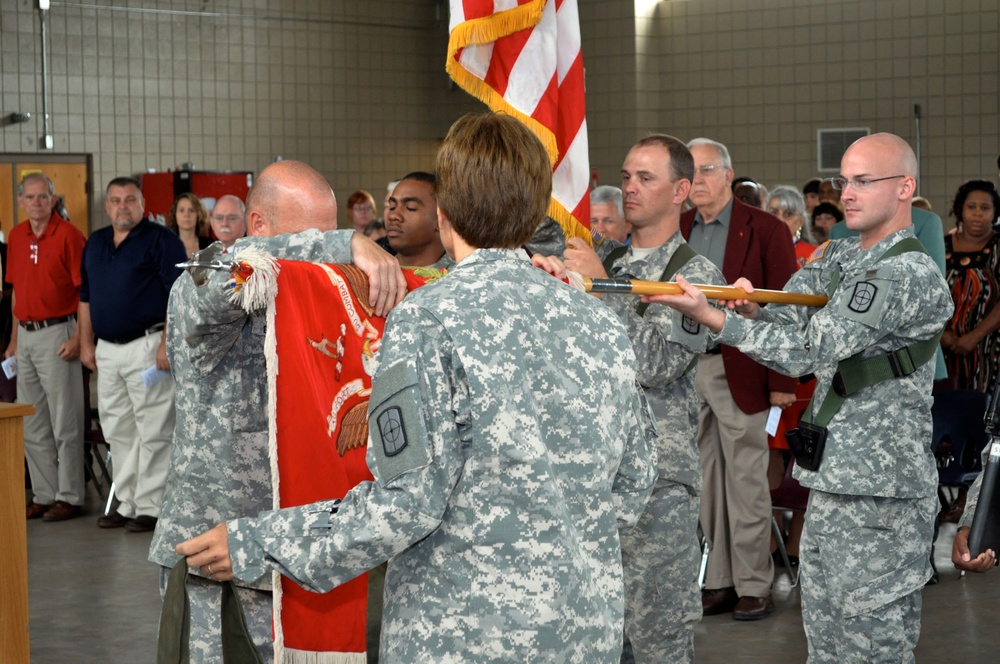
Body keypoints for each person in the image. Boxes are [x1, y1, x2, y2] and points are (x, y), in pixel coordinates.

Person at [176, 112, 657, 663]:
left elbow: (406, 505)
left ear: (444, 214)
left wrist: (254, 543)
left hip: (462, 630)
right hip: (582, 629)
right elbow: (634, 482)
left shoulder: (430, 317)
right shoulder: (598, 320)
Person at [654, 133, 952, 662]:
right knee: (828, 641)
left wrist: (718, 320)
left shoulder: (902, 273)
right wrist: (748, 309)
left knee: (871, 646)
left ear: (905, 187)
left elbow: (809, 348)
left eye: (864, 181)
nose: (849, 193)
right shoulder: (839, 253)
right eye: (845, 181)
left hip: (880, 496)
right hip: (836, 482)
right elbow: (789, 316)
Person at [149, 159, 406, 663]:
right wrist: (338, 245)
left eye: (332, 231)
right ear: (259, 227)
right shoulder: (210, 276)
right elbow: (236, 275)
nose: (326, 249)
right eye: (310, 234)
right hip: (217, 566)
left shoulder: (325, 293)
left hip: (300, 556)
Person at [541, 134, 724, 662]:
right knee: (598, 638)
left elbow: (655, 365)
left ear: (681, 190)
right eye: (625, 177)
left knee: (657, 640)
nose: (630, 188)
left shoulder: (693, 276)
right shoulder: (607, 258)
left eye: (646, 178)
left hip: (658, 488)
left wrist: (599, 291)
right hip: (594, 478)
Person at [681, 137, 798, 620]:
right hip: (689, 368)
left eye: (707, 170)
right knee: (706, 480)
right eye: (690, 172)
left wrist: (782, 378)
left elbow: (786, 310)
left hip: (744, 366)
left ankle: (754, 583)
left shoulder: (765, 229)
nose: (698, 181)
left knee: (747, 481)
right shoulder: (679, 226)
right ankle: (720, 579)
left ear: (729, 175)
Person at [78, 177, 188, 532]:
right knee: (118, 429)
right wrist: (85, 343)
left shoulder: (162, 241)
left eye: (129, 200)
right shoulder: (95, 243)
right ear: (106, 205)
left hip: (148, 346)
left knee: (154, 429)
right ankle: (125, 502)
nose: (122, 206)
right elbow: (86, 298)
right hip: (107, 349)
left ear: (142, 204)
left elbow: (178, 296)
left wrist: (166, 344)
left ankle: (152, 506)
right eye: (115, 200)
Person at [9, 173, 87, 522]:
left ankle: (69, 496)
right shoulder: (15, 236)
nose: (36, 203)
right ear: (21, 201)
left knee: (64, 420)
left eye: (43, 197)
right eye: (30, 197)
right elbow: (15, 292)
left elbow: (86, 294)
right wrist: (13, 340)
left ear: (53, 200)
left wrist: (79, 339)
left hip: (59, 332)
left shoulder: (70, 236)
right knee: (31, 420)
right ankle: (43, 493)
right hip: (25, 335)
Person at [763, 185, 817, 565]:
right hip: (767, 369)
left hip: (805, 377)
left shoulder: (814, 258)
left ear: (800, 219)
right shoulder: (764, 251)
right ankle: (767, 543)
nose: (778, 219)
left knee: (802, 463)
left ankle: (796, 544)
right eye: (772, 212)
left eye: (786, 213)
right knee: (768, 458)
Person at [939, 180, 1000, 393]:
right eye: (971, 207)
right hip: (941, 349)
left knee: (982, 418)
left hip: (988, 350)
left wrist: (976, 336)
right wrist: (941, 334)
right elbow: (924, 293)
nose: (977, 213)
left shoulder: (998, 245)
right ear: (960, 210)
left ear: (994, 212)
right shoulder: (940, 243)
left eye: (985, 208)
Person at [384, 172, 454, 269]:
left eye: (410, 207)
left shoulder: (464, 277)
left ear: (440, 219)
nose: (393, 215)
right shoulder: (369, 275)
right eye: (392, 207)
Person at [166, 193, 211, 258]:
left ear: (198, 215)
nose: (186, 215)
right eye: (182, 210)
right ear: (175, 215)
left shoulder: (209, 246)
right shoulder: (165, 246)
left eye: (191, 210)